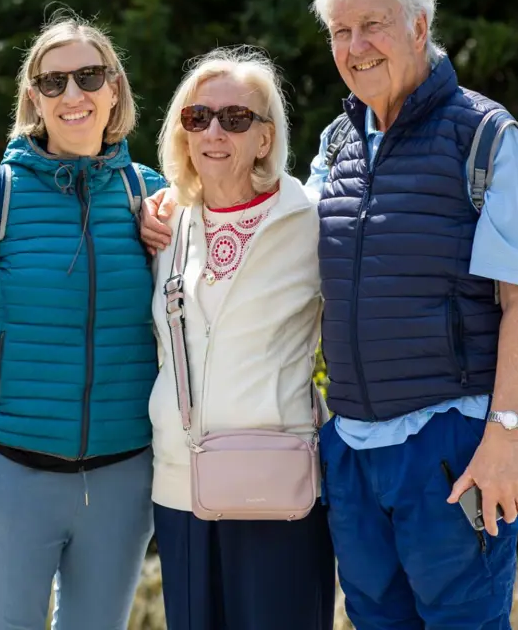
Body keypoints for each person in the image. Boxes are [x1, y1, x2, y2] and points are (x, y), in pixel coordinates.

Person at [140, 0, 518, 629]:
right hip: (351, 452)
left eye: (373, 25)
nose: (356, 47)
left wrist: (506, 434)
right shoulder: (336, 144)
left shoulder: (486, 136)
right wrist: (169, 211)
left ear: (420, 28)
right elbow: (267, 214)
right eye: (340, 32)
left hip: (450, 445)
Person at [0, 16, 167, 630]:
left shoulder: (154, 196)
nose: (73, 94)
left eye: (89, 76)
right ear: (33, 97)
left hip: (122, 480)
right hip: (5, 474)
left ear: (115, 88)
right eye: (52, 81)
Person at [146, 47, 335, 630]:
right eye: (198, 118)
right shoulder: (165, 224)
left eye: (235, 119)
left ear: (264, 137)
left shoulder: (312, 218)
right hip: (180, 485)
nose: (214, 132)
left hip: (278, 481)